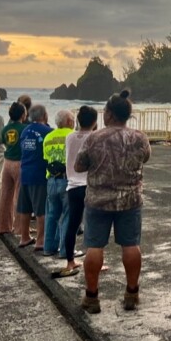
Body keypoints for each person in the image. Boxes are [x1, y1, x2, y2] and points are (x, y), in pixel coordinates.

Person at [76, 90, 151, 313]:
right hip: (130, 200)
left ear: (108, 114)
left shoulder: (94, 138)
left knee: (94, 246)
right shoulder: (139, 138)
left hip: (98, 201)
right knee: (131, 245)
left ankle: (92, 297)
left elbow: (79, 165)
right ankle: (132, 293)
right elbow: (145, 157)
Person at [53, 105, 97, 279]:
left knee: (72, 224)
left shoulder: (70, 137)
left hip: (72, 186)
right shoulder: (94, 137)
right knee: (94, 225)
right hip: (90, 185)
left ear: (78, 120)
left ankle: (70, 261)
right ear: (94, 122)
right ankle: (95, 261)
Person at [16, 105, 53, 250]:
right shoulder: (48, 132)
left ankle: (24, 237)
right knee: (41, 209)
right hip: (39, 173)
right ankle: (40, 240)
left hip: (25, 171)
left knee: (25, 208)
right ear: (44, 115)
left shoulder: (25, 130)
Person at [42, 110, 75, 258]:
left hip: (51, 180)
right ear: (69, 121)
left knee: (51, 215)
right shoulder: (72, 136)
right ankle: (65, 250)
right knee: (68, 216)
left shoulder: (48, 137)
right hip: (67, 179)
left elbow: (46, 157)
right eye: (73, 119)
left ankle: (48, 247)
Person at [0, 102, 26, 234]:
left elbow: (3, 141)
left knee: (5, 195)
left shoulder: (5, 129)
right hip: (20, 163)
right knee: (19, 196)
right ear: (23, 114)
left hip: (7, 162)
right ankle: (19, 227)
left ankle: (2, 226)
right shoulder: (24, 129)